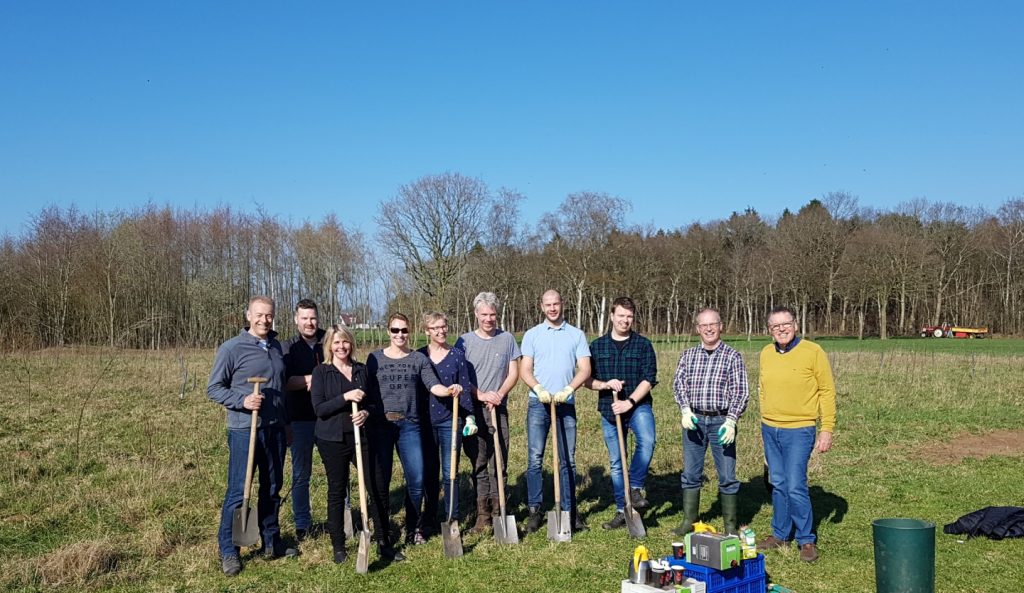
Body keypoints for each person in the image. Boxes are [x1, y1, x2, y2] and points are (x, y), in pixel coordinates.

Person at [207, 296, 297, 577]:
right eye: (259, 315)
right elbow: (214, 388)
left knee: (272, 487)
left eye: (269, 316)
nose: (264, 320)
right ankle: (229, 550)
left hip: (275, 428)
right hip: (244, 429)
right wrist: (243, 401)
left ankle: (272, 541)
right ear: (248, 315)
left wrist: (287, 424)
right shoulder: (232, 348)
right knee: (238, 490)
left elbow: (282, 389)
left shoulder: (277, 348)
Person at [365, 313, 463, 546]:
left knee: (417, 479)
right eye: (395, 330)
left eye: (404, 330)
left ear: (410, 332)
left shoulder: (418, 359)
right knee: (382, 482)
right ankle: (383, 530)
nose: (400, 335)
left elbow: (433, 384)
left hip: (410, 425)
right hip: (381, 426)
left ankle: (413, 528)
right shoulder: (374, 359)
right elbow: (365, 387)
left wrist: (449, 390)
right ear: (388, 331)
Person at [311, 325, 403, 564]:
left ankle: (383, 542)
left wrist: (366, 414)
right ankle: (339, 546)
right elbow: (319, 409)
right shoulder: (322, 372)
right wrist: (345, 397)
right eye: (336, 343)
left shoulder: (362, 370)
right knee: (337, 490)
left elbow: (375, 403)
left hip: (362, 437)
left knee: (377, 486)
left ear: (351, 344)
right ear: (329, 346)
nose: (341, 347)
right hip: (333, 438)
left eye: (345, 342)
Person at [757, 305, 836, 563]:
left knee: (795, 484)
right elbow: (762, 387)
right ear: (769, 330)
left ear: (796, 325)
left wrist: (826, 429)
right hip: (770, 428)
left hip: (799, 429)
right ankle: (780, 533)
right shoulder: (766, 353)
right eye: (775, 326)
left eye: (786, 324)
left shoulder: (813, 352)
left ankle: (806, 539)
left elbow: (826, 391)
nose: (781, 329)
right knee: (777, 483)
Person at [671, 307, 749, 536]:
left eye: (712, 324)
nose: (708, 328)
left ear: (720, 326)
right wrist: (685, 410)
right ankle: (689, 520)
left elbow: (741, 391)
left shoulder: (732, 356)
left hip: (721, 422)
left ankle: (730, 526)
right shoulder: (688, 355)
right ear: (697, 329)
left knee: (727, 475)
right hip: (693, 421)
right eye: (703, 325)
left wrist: (732, 420)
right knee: (690, 473)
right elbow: (678, 384)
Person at [520, 289, 592, 533]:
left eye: (556, 304)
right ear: (541, 307)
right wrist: (538, 387)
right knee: (535, 459)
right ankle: (535, 510)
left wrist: (569, 389)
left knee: (568, 460)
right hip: (538, 404)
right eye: (548, 304)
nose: (552, 308)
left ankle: (570, 512)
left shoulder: (576, 334)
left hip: (565, 404)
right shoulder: (532, 335)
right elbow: (525, 369)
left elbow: (584, 369)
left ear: (563, 304)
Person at [583, 296, 658, 530]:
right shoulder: (596, 346)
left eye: (629, 317)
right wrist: (605, 385)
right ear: (612, 316)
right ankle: (622, 510)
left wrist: (630, 402)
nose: (625, 320)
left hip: (638, 406)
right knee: (617, 462)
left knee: (647, 440)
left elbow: (649, 378)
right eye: (621, 316)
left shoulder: (643, 345)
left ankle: (634, 488)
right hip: (609, 409)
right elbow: (587, 380)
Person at [455, 292, 522, 534]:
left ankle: (499, 510)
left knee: (499, 461)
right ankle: (482, 515)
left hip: (498, 408)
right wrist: (481, 395)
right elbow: (460, 376)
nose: (489, 319)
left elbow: (513, 372)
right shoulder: (464, 342)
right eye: (484, 314)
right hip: (473, 410)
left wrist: (499, 394)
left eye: (492, 314)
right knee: (479, 461)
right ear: (476, 314)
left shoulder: (507, 340)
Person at [419, 312, 477, 534]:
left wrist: (469, 416)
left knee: (450, 471)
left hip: (450, 420)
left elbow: (464, 385)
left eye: (443, 327)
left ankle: (452, 518)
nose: (441, 331)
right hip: (425, 422)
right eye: (435, 328)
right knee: (429, 471)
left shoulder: (457, 355)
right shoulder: (419, 356)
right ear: (427, 331)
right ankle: (429, 518)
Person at [281, 298, 324, 541]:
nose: (309, 323)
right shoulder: (287, 348)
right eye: (305, 318)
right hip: (299, 419)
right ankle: (302, 524)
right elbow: (286, 382)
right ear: (296, 320)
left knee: (336, 471)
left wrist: (310, 379)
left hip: (329, 417)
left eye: (313, 318)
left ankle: (341, 516)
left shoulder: (329, 341)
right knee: (301, 474)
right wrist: (313, 378)